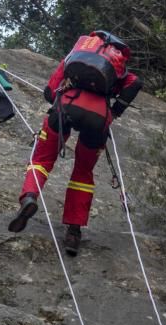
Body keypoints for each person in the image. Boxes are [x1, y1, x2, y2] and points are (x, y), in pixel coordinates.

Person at [8, 31, 141, 255]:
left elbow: (50, 93)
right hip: (98, 117)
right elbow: (136, 82)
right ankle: (73, 232)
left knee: (41, 159)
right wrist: (115, 110)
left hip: (67, 106)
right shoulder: (117, 65)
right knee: (83, 172)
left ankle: (29, 197)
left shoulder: (76, 55)